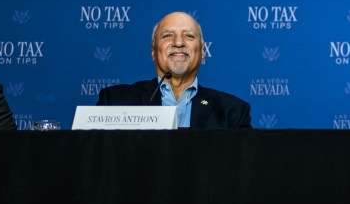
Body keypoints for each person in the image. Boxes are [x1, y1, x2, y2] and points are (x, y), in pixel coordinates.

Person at [97, 11, 252, 129]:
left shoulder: (232, 112)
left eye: (189, 36)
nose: (178, 42)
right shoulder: (114, 101)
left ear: (203, 51)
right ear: (153, 51)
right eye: (168, 35)